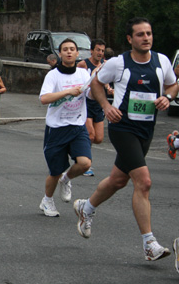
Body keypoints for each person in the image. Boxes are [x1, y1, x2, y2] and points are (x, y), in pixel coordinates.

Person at [74, 17, 178, 261]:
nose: (146, 38)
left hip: (146, 130)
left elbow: (173, 85)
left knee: (118, 180)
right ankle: (149, 244)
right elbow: (96, 85)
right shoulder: (119, 63)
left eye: (149, 33)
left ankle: (85, 207)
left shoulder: (161, 61)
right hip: (122, 128)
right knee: (144, 181)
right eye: (140, 34)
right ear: (130, 39)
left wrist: (168, 98)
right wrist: (105, 106)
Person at [38, 38, 92, 217]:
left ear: (77, 53)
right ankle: (47, 200)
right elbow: (44, 99)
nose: (69, 52)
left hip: (77, 126)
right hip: (56, 128)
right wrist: (68, 91)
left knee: (85, 163)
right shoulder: (53, 75)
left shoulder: (84, 74)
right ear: (60, 54)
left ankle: (66, 179)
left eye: (72, 49)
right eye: (65, 49)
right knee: (54, 171)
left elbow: (92, 93)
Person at [77, 39, 108, 176]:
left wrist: (109, 89)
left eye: (102, 51)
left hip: (99, 103)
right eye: (98, 50)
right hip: (86, 102)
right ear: (91, 50)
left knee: (99, 138)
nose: (100, 53)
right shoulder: (84, 64)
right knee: (90, 135)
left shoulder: (105, 65)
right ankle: (85, 164)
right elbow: (79, 80)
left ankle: (79, 149)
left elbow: (104, 82)